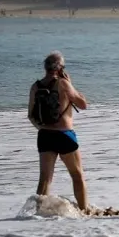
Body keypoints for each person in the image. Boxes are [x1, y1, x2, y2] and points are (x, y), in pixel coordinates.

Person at [28, 52, 89, 212]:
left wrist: (43, 128)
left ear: (45, 67)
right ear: (60, 68)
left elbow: (30, 115)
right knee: (77, 175)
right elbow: (83, 104)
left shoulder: (35, 86)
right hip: (64, 135)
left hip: (44, 136)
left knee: (45, 179)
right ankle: (84, 211)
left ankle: (38, 213)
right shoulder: (63, 84)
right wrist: (70, 83)